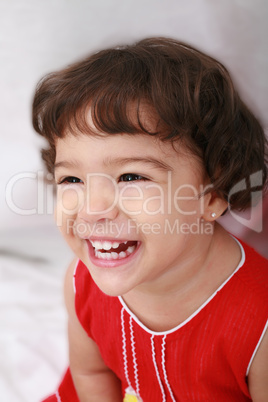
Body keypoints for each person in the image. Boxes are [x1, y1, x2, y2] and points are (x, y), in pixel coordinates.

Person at [32, 37, 268, 401]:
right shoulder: (81, 283)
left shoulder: (260, 323)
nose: (93, 208)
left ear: (214, 193)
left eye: (131, 177)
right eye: (71, 179)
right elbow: (90, 371)